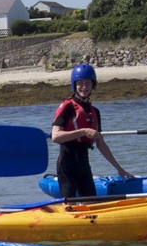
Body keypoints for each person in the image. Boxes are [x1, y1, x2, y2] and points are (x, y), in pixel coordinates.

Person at [50, 63, 133, 198]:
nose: (84, 87)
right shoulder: (67, 107)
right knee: (69, 206)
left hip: (84, 167)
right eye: (80, 83)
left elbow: (101, 144)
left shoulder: (95, 112)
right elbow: (55, 136)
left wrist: (119, 168)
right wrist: (82, 132)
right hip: (66, 167)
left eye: (88, 83)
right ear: (74, 85)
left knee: (92, 206)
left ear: (93, 85)